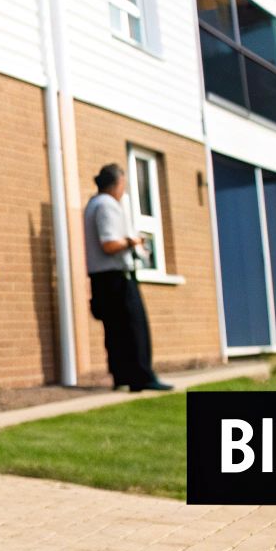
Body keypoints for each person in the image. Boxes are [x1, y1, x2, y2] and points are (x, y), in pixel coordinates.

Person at [84, 163, 171, 392]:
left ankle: (121, 376)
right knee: (134, 328)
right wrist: (133, 242)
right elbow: (110, 244)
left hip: (100, 279)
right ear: (117, 184)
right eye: (123, 184)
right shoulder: (107, 205)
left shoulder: (93, 204)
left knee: (114, 332)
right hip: (116, 278)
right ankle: (142, 377)